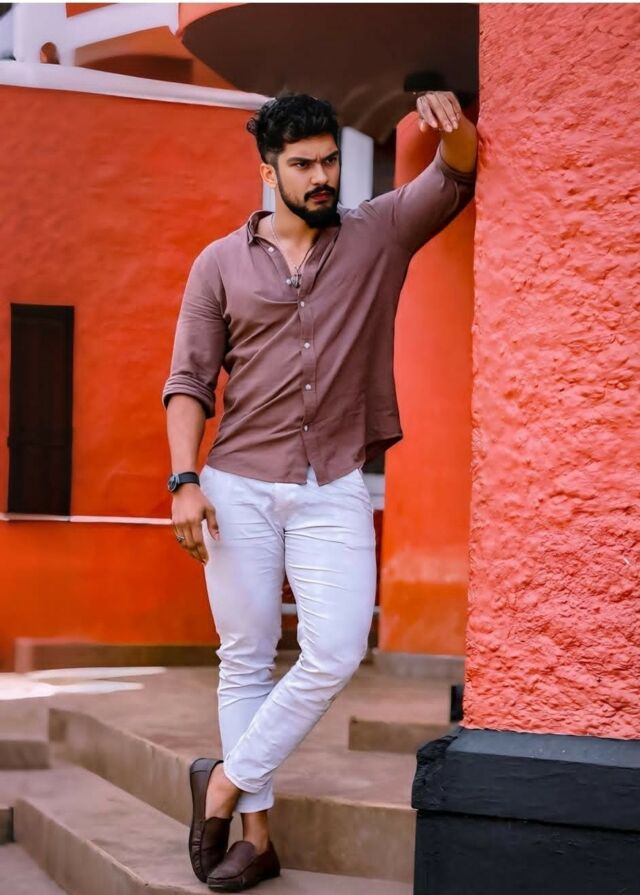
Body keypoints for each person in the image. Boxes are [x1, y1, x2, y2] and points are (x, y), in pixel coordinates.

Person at [162, 91, 477, 892]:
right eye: (302, 164)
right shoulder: (218, 264)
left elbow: (454, 176)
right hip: (236, 483)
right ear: (268, 170)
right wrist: (185, 480)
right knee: (246, 657)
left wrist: (455, 127)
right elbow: (189, 381)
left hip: (333, 480)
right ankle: (257, 839)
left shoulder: (377, 233)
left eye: (330, 159)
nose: (321, 176)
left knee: (334, 647)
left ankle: (224, 782)